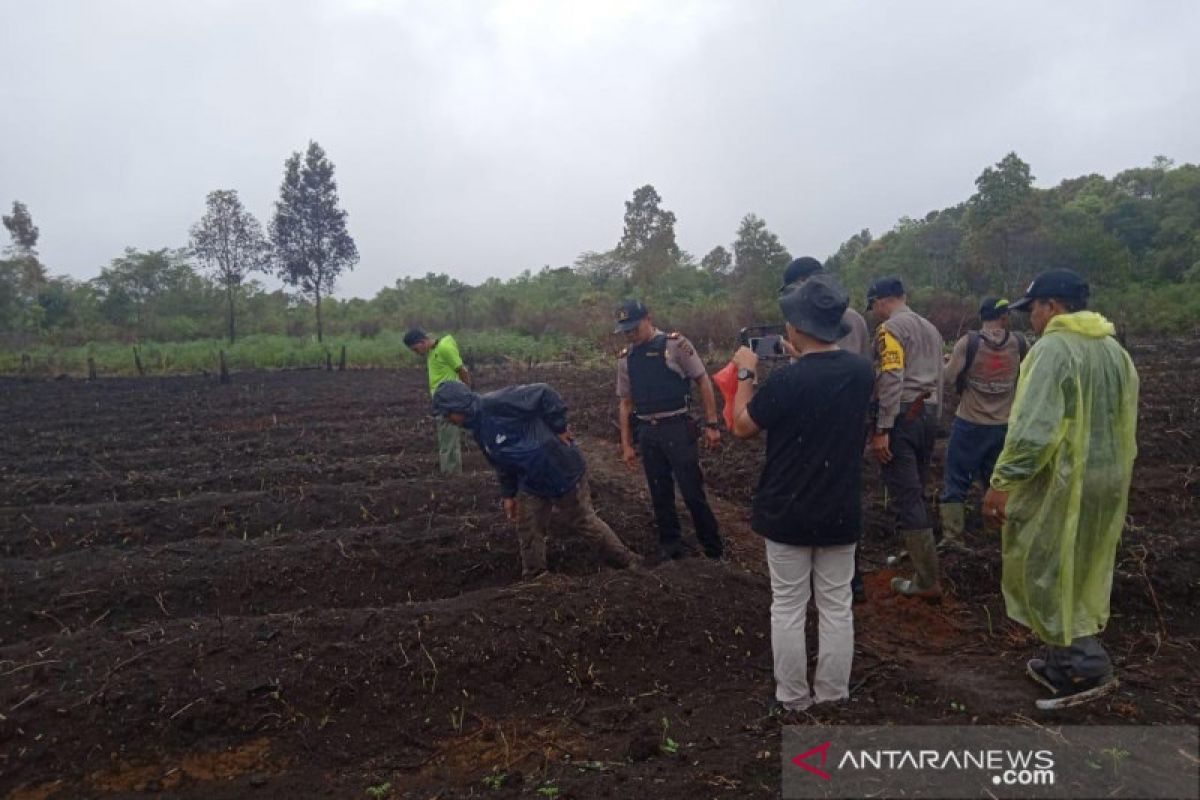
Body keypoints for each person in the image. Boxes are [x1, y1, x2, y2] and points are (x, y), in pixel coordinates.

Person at [982, 269, 1138, 711]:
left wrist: (1003, 482)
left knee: (1045, 565)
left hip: (1063, 481)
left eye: (1032, 308)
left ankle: (1085, 666)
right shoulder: (1112, 349)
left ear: (1051, 306)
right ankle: (1059, 659)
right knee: (1080, 565)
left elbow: (1034, 429)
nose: (1030, 318)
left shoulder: (1053, 349)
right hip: (1105, 480)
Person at [729, 275, 874, 711]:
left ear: (796, 328)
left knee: (788, 607)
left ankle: (792, 698)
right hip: (840, 509)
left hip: (787, 510)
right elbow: (825, 379)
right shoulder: (861, 372)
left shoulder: (787, 384)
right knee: (836, 606)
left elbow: (741, 425)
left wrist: (744, 373)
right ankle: (833, 695)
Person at [432, 380, 641, 578]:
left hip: (560, 468)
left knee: (582, 520)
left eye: (448, 414)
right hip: (531, 480)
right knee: (528, 526)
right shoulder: (479, 429)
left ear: (459, 407)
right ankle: (536, 578)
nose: (449, 420)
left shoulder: (496, 402)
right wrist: (509, 494)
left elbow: (544, 391)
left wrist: (559, 427)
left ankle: (627, 561)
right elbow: (501, 463)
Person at [780, 256, 874, 604]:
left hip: (818, 423)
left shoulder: (826, 321)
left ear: (806, 283)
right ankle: (850, 579)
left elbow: (823, 371)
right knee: (844, 490)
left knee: (813, 491)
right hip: (849, 422)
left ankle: (835, 580)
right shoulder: (856, 319)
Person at [615, 300, 725, 561]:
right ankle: (671, 546)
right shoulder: (626, 359)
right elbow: (625, 402)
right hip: (648, 431)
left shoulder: (674, 345)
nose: (631, 334)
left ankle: (713, 549)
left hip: (677, 427)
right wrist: (627, 444)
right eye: (626, 330)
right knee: (659, 493)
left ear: (649, 319)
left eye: (634, 328)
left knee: (692, 492)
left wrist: (712, 424)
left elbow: (702, 380)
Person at [866, 277, 945, 599]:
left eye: (872, 307)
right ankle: (914, 558)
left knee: (907, 494)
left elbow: (891, 375)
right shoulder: (931, 328)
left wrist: (882, 427)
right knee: (917, 488)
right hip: (927, 413)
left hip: (902, 415)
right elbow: (940, 376)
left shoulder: (890, 330)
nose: (874, 314)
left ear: (882, 301)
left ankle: (927, 582)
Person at [938, 297, 1027, 551]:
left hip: (970, 422)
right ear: (1004, 316)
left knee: (956, 480)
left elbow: (949, 377)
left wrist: (948, 362)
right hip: (1004, 424)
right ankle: (997, 533)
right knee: (996, 480)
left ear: (982, 316)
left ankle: (953, 536)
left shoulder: (969, 342)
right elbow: (1026, 377)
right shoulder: (1020, 343)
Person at [405, 328, 470, 474]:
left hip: (449, 403)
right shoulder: (433, 351)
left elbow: (462, 371)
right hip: (443, 402)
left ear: (422, 342)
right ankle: (452, 474)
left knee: (447, 442)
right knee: (449, 440)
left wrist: (467, 396)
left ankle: (450, 475)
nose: (417, 353)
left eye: (416, 349)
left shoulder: (444, 348)